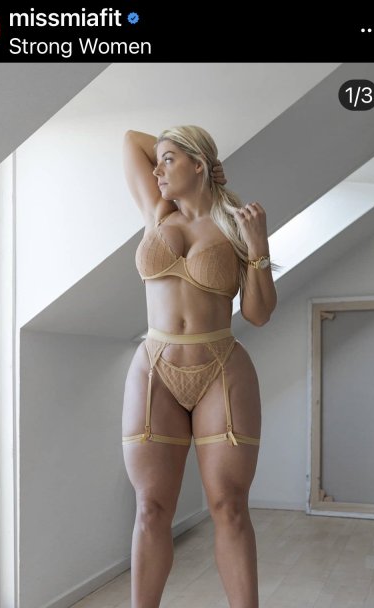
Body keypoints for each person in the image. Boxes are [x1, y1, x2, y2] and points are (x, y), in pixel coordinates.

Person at [122, 126, 277, 608]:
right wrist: (178, 151)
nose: (157, 170)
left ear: (197, 165)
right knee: (150, 509)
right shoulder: (157, 211)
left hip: (221, 371)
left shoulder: (235, 224)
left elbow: (258, 314)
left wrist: (258, 246)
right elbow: (131, 140)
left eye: (169, 160)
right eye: (159, 161)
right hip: (155, 369)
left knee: (229, 506)